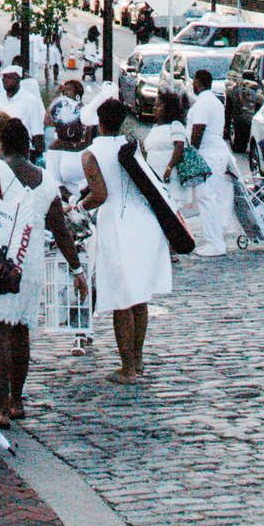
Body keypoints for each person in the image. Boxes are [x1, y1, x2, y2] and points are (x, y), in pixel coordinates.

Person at [0, 114, 83, 421]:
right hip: (30, 260)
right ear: (27, 147)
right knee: (21, 331)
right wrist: (77, 271)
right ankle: (16, 401)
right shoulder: (46, 181)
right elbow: (61, 231)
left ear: (2, 145)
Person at [80, 94, 174, 382]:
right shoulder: (134, 147)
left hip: (117, 225)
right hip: (144, 223)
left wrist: (78, 206)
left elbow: (100, 195)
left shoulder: (91, 154)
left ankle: (127, 369)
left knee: (122, 299)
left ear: (99, 122)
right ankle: (138, 358)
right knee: (139, 297)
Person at [186, 68, 230, 257]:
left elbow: (198, 131)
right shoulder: (215, 101)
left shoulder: (202, 104)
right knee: (213, 197)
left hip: (208, 154)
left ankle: (215, 243)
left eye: (193, 81)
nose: (192, 85)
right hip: (217, 152)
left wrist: (191, 154)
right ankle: (216, 238)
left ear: (198, 82)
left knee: (206, 198)